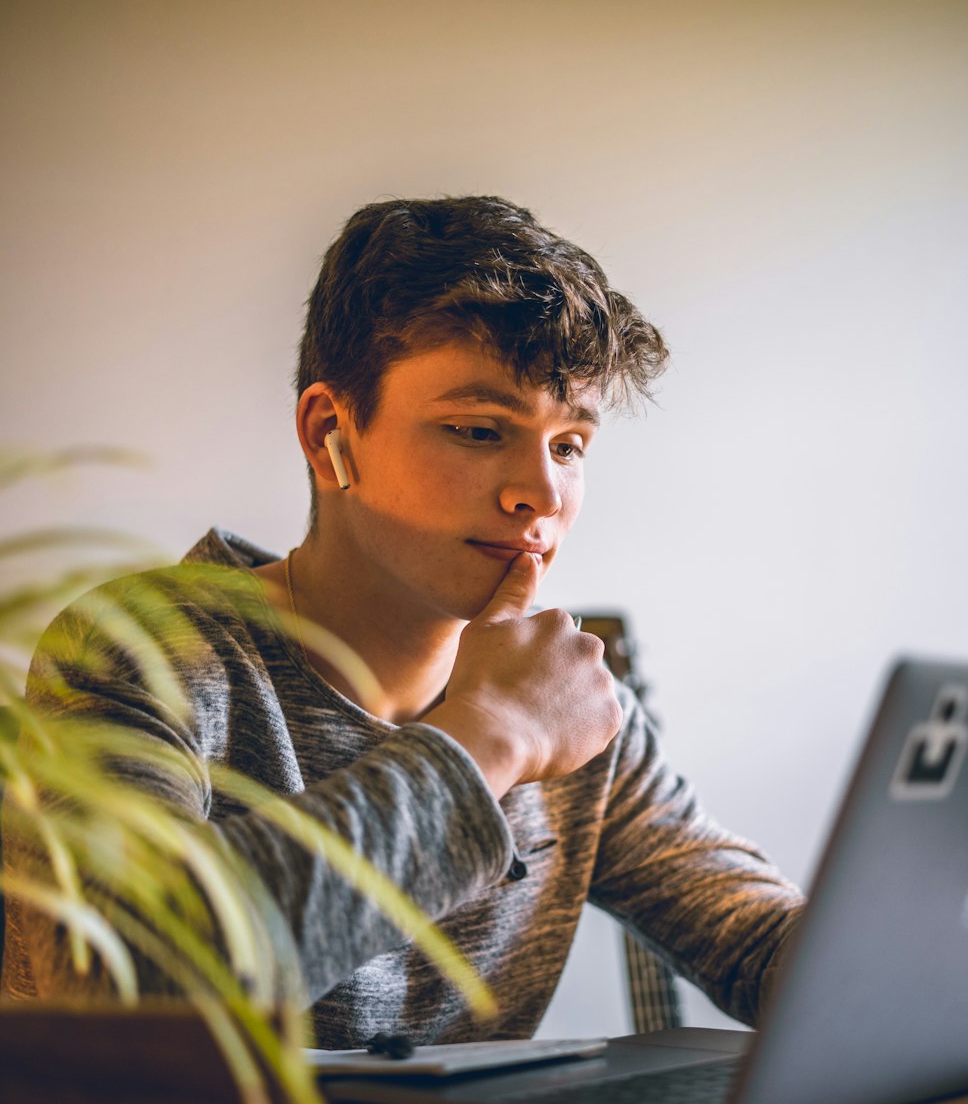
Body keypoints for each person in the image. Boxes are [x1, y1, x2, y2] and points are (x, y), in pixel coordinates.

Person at [1, 196, 804, 1045]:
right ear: (328, 433)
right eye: (477, 429)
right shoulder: (142, 652)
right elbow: (123, 986)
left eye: (569, 445)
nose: (541, 493)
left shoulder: (567, 703)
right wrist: (487, 738)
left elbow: (758, 946)